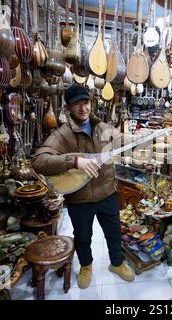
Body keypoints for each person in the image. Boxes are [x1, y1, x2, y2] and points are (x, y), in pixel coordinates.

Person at [32, 85, 135, 289]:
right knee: (83, 237)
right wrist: (75, 161)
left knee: (114, 232)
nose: (83, 108)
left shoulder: (103, 128)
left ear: (91, 103)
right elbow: (39, 161)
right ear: (67, 107)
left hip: (107, 193)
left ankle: (117, 263)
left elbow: (124, 141)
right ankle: (86, 266)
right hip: (80, 199)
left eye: (86, 102)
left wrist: (153, 139)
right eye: (77, 103)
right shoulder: (63, 134)